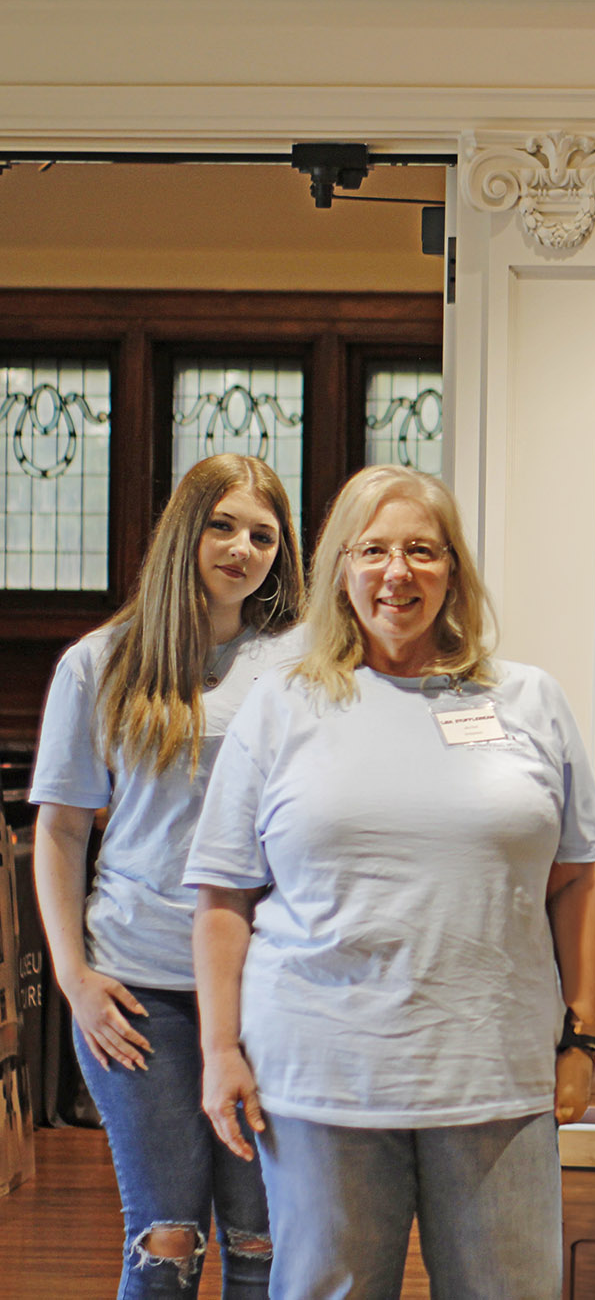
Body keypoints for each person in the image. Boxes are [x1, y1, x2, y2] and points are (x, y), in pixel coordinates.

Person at [186, 464, 595, 1300]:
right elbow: (223, 898)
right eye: (374, 549)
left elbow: (573, 882)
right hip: (320, 1074)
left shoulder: (530, 699)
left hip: (494, 1071)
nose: (398, 573)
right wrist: (217, 1050)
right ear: (341, 568)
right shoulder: (281, 706)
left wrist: (582, 1036)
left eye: (423, 550)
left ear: (453, 568)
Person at [30, 454, 303, 1297]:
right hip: (137, 986)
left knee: (263, 1242)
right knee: (168, 1237)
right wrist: (73, 977)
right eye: (222, 525)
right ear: (185, 530)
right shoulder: (100, 661)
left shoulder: (297, 662)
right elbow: (63, 831)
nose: (242, 547)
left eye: (263, 533)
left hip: (266, 983)